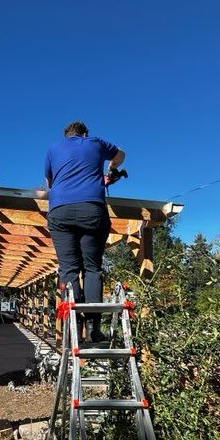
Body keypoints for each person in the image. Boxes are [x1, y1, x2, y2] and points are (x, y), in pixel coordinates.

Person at [44, 121, 125, 342]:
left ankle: (72, 329)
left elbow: (50, 182)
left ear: (66, 136)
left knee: (69, 269)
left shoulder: (53, 149)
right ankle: (92, 329)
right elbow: (121, 155)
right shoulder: (95, 143)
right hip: (92, 209)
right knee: (92, 268)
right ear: (85, 134)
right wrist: (110, 171)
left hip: (60, 210)